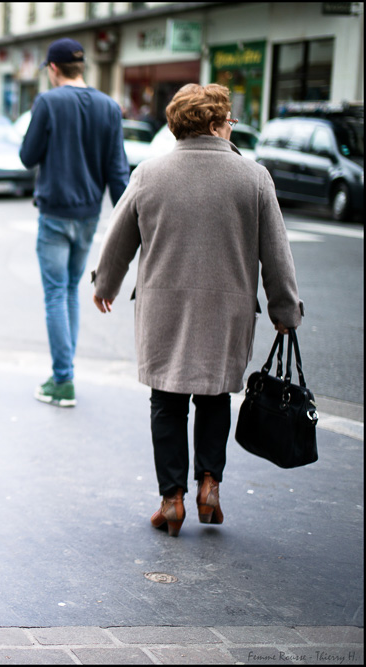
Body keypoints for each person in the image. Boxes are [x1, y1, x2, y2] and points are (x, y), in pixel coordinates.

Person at [91, 83, 303, 536]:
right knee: (214, 395)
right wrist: (285, 309)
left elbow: (118, 239)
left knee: (166, 401)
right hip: (227, 311)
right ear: (214, 124)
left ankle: (171, 499)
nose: (232, 128)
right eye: (230, 121)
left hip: (163, 308)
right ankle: (209, 485)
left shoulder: (149, 174)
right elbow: (277, 255)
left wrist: (105, 284)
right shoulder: (253, 177)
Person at [19, 37, 129, 407]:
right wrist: (127, 223)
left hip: (54, 213)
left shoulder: (48, 102)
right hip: (88, 216)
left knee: (55, 292)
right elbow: (118, 172)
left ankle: (63, 380)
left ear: (53, 68)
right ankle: (64, 373)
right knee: (68, 291)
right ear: (81, 67)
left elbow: (27, 156)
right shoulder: (109, 107)